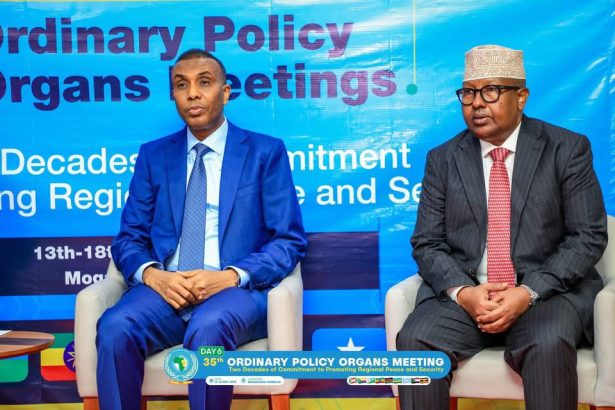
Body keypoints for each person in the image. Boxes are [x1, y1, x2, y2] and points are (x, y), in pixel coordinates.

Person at [396, 45, 607, 410]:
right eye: (468, 93)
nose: (477, 103)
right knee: (416, 341)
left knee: (548, 341)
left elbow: (587, 237)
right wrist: (464, 293)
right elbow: (427, 243)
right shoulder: (443, 159)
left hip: (547, 295)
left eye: (491, 91)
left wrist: (527, 292)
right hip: (470, 297)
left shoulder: (566, 149)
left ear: (521, 97)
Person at [96, 49, 307, 410]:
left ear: (225, 92)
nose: (192, 93)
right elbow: (129, 238)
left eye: (204, 82)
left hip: (235, 293)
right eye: (182, 85)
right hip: (166, 292)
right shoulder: (154, 156)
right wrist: (154, 277)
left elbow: (288, 240)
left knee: (208, 327)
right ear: (174, 96)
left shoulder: (264, 152)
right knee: (115, 326)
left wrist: (230, 276)